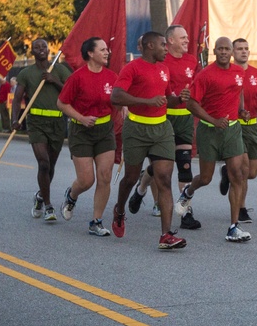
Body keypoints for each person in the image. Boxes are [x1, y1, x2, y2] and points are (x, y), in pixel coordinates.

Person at [110, 31, 187, 250]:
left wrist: (179, 99)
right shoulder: (131, 68)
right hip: (136, 128)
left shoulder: (164, 69)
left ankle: (166, 235)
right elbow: (116, 96)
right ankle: (120, 210)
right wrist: (146, 100)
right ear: (150, 46)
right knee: (131, 177)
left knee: (163, 177)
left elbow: (167, 99)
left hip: (162, 129)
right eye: (163, 44)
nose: (166, 48)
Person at [174, 37, 251, 242]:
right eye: (221, 49)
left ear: (231, 52)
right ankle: (188, 192)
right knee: (205, 178)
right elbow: (191, 104)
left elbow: (239, 91)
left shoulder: (238, 72)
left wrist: (241, 110)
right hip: (209, 130)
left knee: (237, 174)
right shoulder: (206, 75)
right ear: (215, 51)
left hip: (232, 130)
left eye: (228, 49)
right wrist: (213, 120)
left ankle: (233, 227)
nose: (224, 52)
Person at [128, 25, 202, 230]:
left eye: (187, 37)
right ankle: (141, 188)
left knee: (184, 164)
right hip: (163, 118)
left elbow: (197, 84)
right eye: (183, 37)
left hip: (185, 118)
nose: (187, 40)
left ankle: (186, 212)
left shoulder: (192, 60)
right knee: (162, 167)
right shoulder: (160, 60)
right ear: (170, 41)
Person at [57, 37, 116, 237]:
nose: (107, 52)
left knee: (105, 176)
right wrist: (81, 118)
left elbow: (118, 96)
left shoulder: (111, 76)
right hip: (81, 130)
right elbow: (62, 103)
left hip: (105, 131)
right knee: (86, 180)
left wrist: (123, 106)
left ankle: (96, 221)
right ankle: (72, 195)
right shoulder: (77, 77)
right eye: (102, 50)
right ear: (90, 53)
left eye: (107, 49)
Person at [13, 39, 72, 221]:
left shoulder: (60, 70)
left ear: (48, 50)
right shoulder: (26, 73)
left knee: (51, 166)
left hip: (57, 121)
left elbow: (72, 91)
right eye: (37, 47)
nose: (41, 50)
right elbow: (17, 98)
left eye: (43, 47)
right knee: (43, 163)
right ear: (32, 52)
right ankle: (48, 206)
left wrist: (54, 81)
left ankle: (40, 196)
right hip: (36, 122)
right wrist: (15, 119)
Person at [230, 38, 257, 223]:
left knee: (252, 173)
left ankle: (227, 172)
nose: (243, 51)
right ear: (233, 52)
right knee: (243, 170)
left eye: (246, 48)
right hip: (235, 127)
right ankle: (241, 208)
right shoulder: (229, 72)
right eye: (239, 49)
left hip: (253, 126)